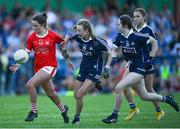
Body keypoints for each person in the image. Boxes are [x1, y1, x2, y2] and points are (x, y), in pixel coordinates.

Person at [102, 14, 179, 124]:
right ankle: (167, 99)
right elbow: (113, 50)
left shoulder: (138, 36)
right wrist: (108, 66)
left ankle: (114, 115)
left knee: (119, 87)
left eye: (118, 24)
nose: (117, 26)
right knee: (144, 96)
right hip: (132, 66)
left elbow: (155, 42)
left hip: (140, 68)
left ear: (125, 25)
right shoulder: (120, 36)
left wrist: (150, 59)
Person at [9, 12, 72, 123]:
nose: (34, 28)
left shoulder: (52, 35)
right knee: (51, 94)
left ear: (43, 24)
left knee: (30, 84)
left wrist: (65, 49)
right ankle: (63, 110)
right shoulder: (32, 37)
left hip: (50, 67)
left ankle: (34, 112)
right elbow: (26, 54)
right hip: (39, 69)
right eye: (32, 26)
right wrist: (17, 65)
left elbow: (63, 43)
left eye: (36, 26)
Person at [63, 19, 112, 124]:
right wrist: (64, 49)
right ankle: (96, 83)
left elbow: (111, 53)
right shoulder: (78, 37)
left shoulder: (98, 42)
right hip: (84, 67)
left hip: (95, 69)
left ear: (87, 31)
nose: (78, 32)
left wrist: (107, 68)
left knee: (80, 95)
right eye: (77, 30)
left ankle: (77, 117)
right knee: (76, 95)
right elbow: (67, 35)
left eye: (80, 30)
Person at [123, 8, 164, 121]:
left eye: (138, 16)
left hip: (146, 63)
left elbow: (155, 45)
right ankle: (133, 108)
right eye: (134, 16)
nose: (135, 18)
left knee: (149, 90)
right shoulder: (133, 30)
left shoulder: (148, 30)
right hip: (134, 63)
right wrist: (128, 61)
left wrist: (150, 59)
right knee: (123, 85)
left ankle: (159, 111)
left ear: (144, 17)